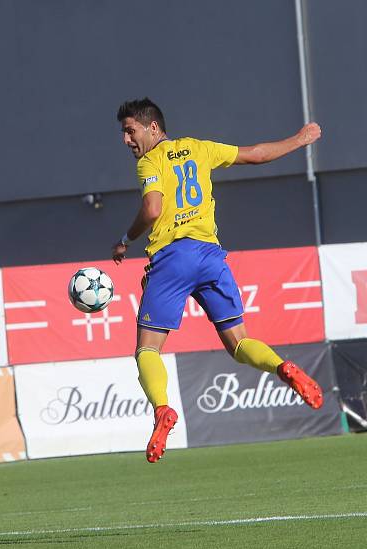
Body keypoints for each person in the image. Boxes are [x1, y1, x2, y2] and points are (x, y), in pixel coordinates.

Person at [112, 98, 324, 463]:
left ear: (153, 128)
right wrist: (300, 139)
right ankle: (281, 368)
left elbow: (152, 209)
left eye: (131, 131)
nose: (127, 140)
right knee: (239, 344)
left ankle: (162, 409)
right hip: (211, 257)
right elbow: (256, 154)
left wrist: (126, 239)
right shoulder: (200, 148)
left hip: (173, 258)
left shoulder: (150, 161)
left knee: (147, 349)